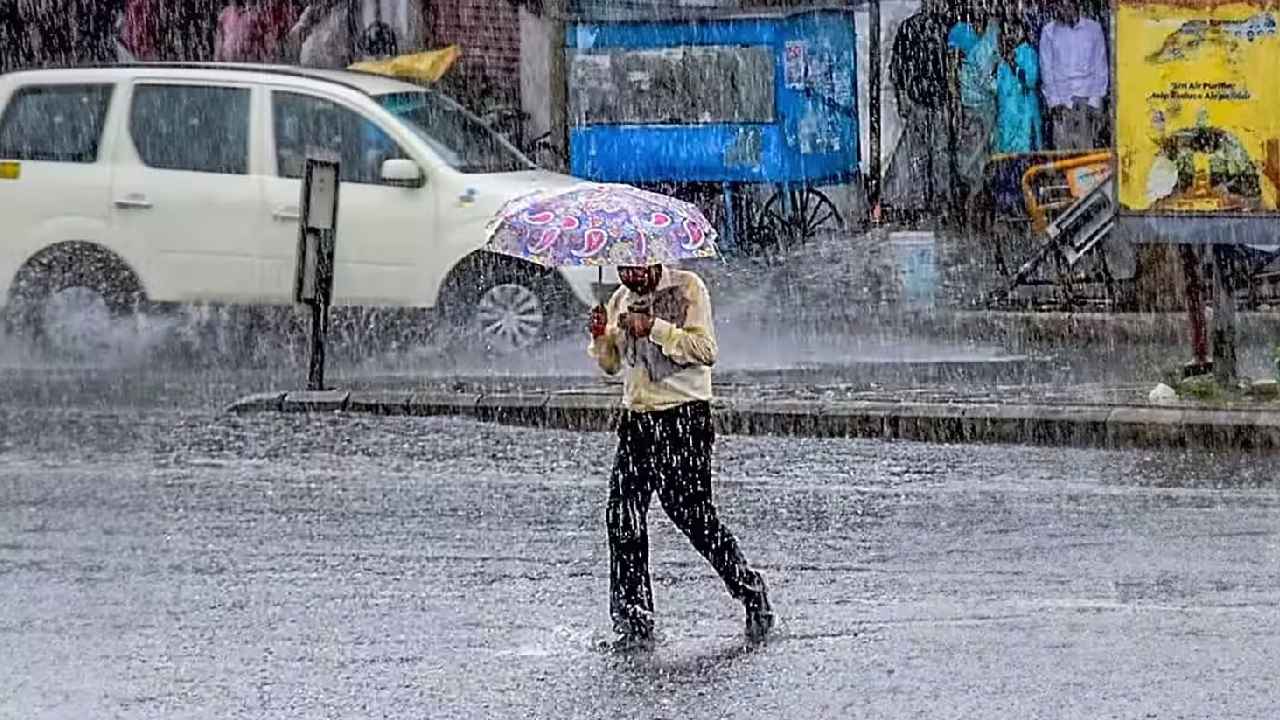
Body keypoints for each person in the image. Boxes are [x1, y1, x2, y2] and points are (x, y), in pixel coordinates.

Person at [588, 263, 774, 649]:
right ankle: (633, 621)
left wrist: (653, 327)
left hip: (683, 420)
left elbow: (705, 350)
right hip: (637, 421)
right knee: (622, 517)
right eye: (622, 268)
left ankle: (750, 589)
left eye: (635, 268)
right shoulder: (621, 298)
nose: (629, 276)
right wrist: (601, 337)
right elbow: (612, 366)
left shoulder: (688, 288)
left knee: (694, 518)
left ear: (654, 261)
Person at [884, 0, 955, 216]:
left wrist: (904, 96)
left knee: (928, 154)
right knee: (929, 153)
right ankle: (932, 202)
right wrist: (903, 98)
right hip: (926, 100)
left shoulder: (930, 27)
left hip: (929, 99)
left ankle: (930, 202)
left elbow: (897, 69)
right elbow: (897, 68)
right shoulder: (928, 28)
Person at [948, 1, 1001, 203]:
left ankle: (977, 192)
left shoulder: (983, 36)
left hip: (978, 104)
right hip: (977, 104)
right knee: (977, 151)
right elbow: (983, 77)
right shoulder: (973, 36)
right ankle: (976, 193)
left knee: (978, 151)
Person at [1039, 0, 1109, 150]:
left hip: (1086, 106)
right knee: (1063, 158)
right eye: (1059, 5)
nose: (1062, 10)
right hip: (1062, 106)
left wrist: (1095, 103)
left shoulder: (1094, 30)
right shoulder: (1049, 32)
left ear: (1076, 4)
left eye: (1066, 5)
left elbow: (1100, 68)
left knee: (1086, 159)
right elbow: (1047, 70)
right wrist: (1055, 103)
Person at [993, 18, 1043, 154]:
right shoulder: (1002, 62)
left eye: (1015, 30)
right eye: (1008, 31)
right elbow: (996, 91)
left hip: (1025, 121)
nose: (1011, 34)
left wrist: (1014, 65)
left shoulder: (1028, 53)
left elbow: (1031, 80)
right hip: (1008, 125)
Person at [289, 0, 356, 69]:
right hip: (314, 61)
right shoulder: (314, 10)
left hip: (337, 64)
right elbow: (295, 33)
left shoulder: (347, 10)